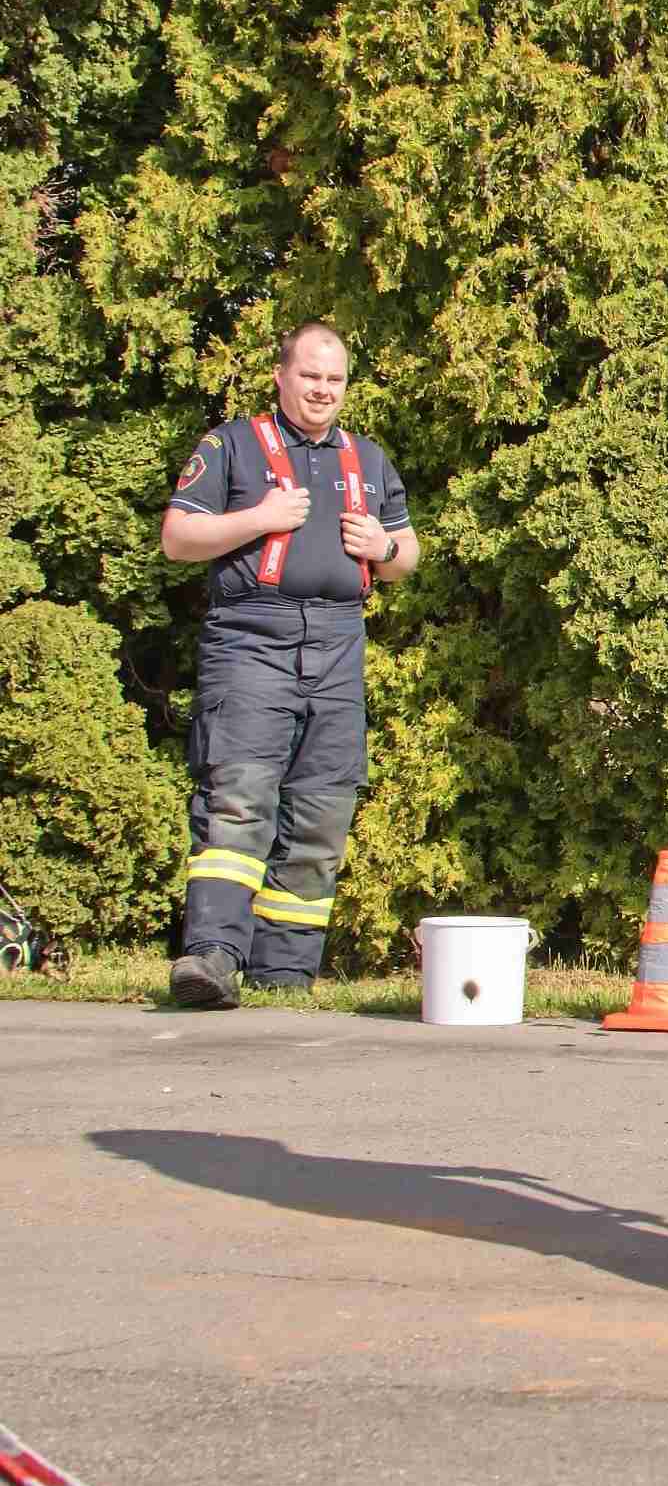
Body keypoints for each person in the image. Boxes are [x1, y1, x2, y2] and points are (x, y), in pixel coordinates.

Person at [159, 323, 420, 1006]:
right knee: (239, 798)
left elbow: (407, 556)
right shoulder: (231, 445)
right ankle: (213, 957)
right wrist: (261, 518)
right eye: (310, 376)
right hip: (251, 639)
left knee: (321, 814)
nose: (321, 390)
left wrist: (384, 549)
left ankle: (285, 975)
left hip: (338, 644)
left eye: (334, 380)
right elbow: (179, 537)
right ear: (281, 376)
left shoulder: (368, 458)